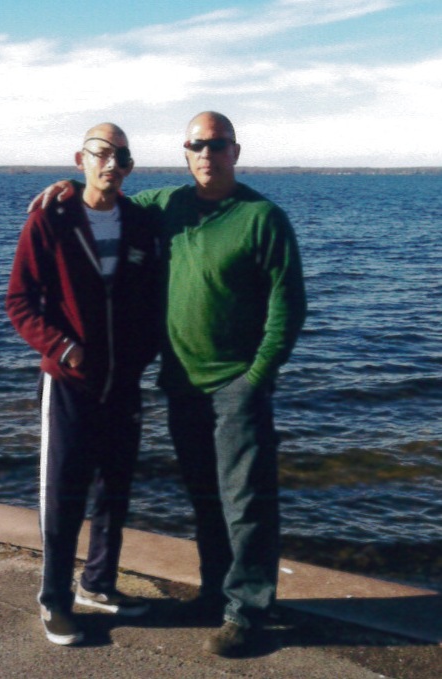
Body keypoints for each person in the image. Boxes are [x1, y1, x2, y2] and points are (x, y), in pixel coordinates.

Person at [29, 111, 306, 656]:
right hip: (181, 383)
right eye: (196, 145)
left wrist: (257, 377)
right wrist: (71, 186)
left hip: (236, 384)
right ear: (186, 152)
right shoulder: (167, 205)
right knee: (205, 497)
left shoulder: (263, 218)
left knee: (246, 502)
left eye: (217, 144)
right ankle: (214, 594)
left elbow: (288, 309)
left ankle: (247, 612)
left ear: (235, 151)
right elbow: (108, 194)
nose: (207, 153)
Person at [6, 123, 158, 646]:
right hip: (69, 382)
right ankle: (54, 599)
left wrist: (142, 353)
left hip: (124, 381)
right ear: (80, 159)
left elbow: (150, 296)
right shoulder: (51, 219)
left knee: (115, 488)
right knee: (63, 493)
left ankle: (98, 583)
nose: (112, 164)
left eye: (123, 157)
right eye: (101, 153)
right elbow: (19, 302)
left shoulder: (140, 221)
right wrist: (64, 348)